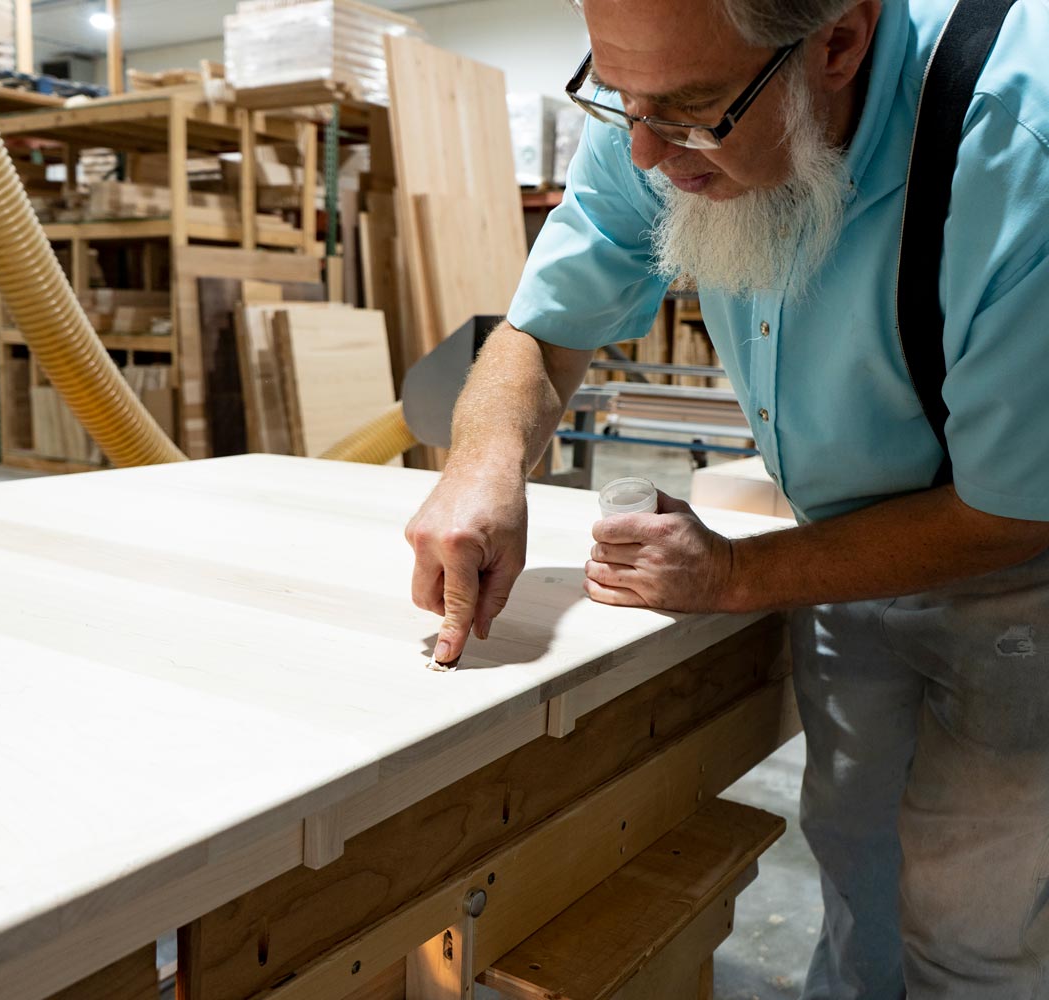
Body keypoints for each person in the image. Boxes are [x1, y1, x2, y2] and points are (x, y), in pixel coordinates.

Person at [405, 0, 1049, 995]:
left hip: (1019, 572)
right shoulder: (663, 102)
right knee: (856, 860)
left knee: (977, 925)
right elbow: (544, 331)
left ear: (838, 41)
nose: (649, 152)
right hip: (839, 547)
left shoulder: (1019, 143)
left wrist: (742, 570)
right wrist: (484, 459)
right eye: (623, 101)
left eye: (694, 112)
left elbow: (1011, 512)